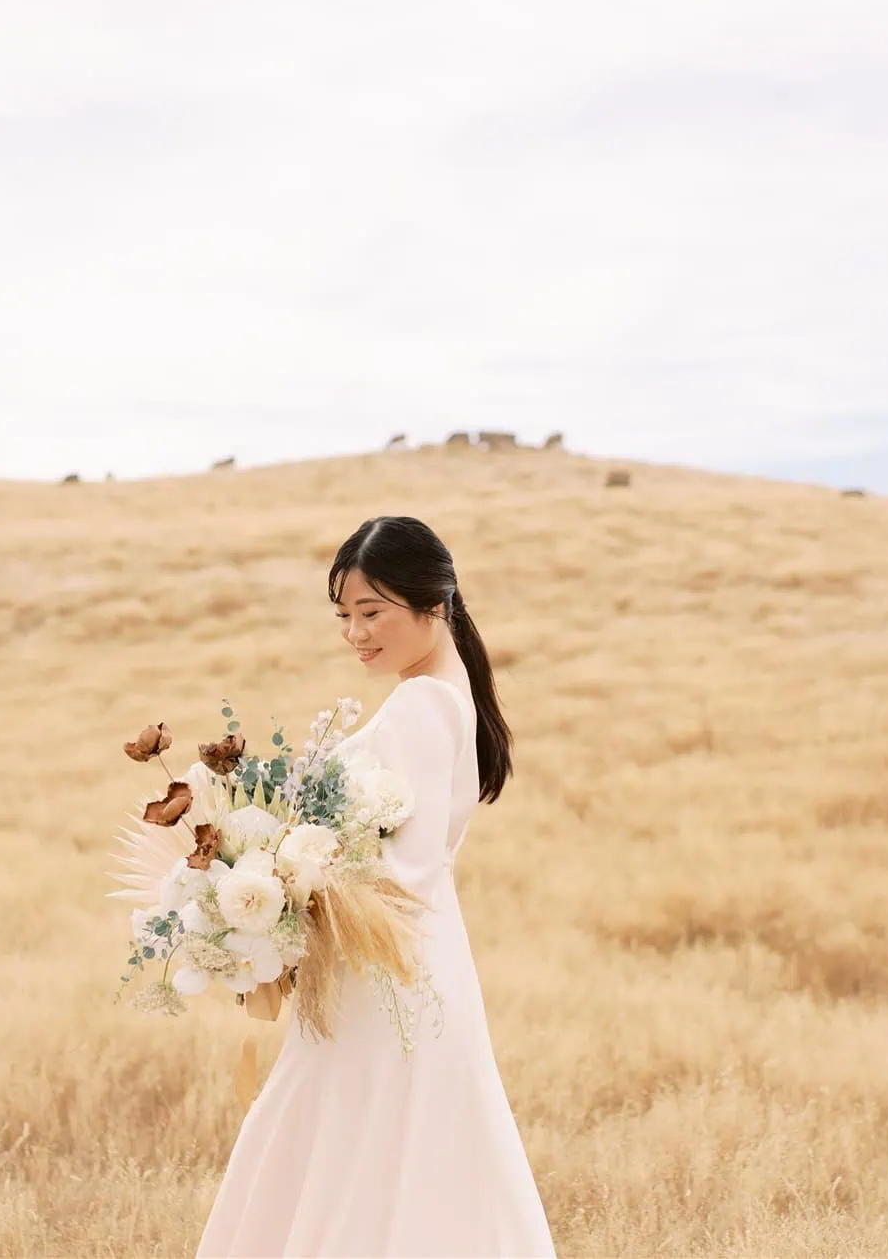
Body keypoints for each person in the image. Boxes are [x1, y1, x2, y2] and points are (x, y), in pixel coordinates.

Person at [196, 515, 556, 1257]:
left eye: (372, 613)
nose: (356, 634)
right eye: (344, 617)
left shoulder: (425, 704)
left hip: (385, 976)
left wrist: (277, 891)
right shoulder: (446, 693)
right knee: (398, 1162)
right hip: (411, 966)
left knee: (355, 1153)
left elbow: (404, 872)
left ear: (436, 604)